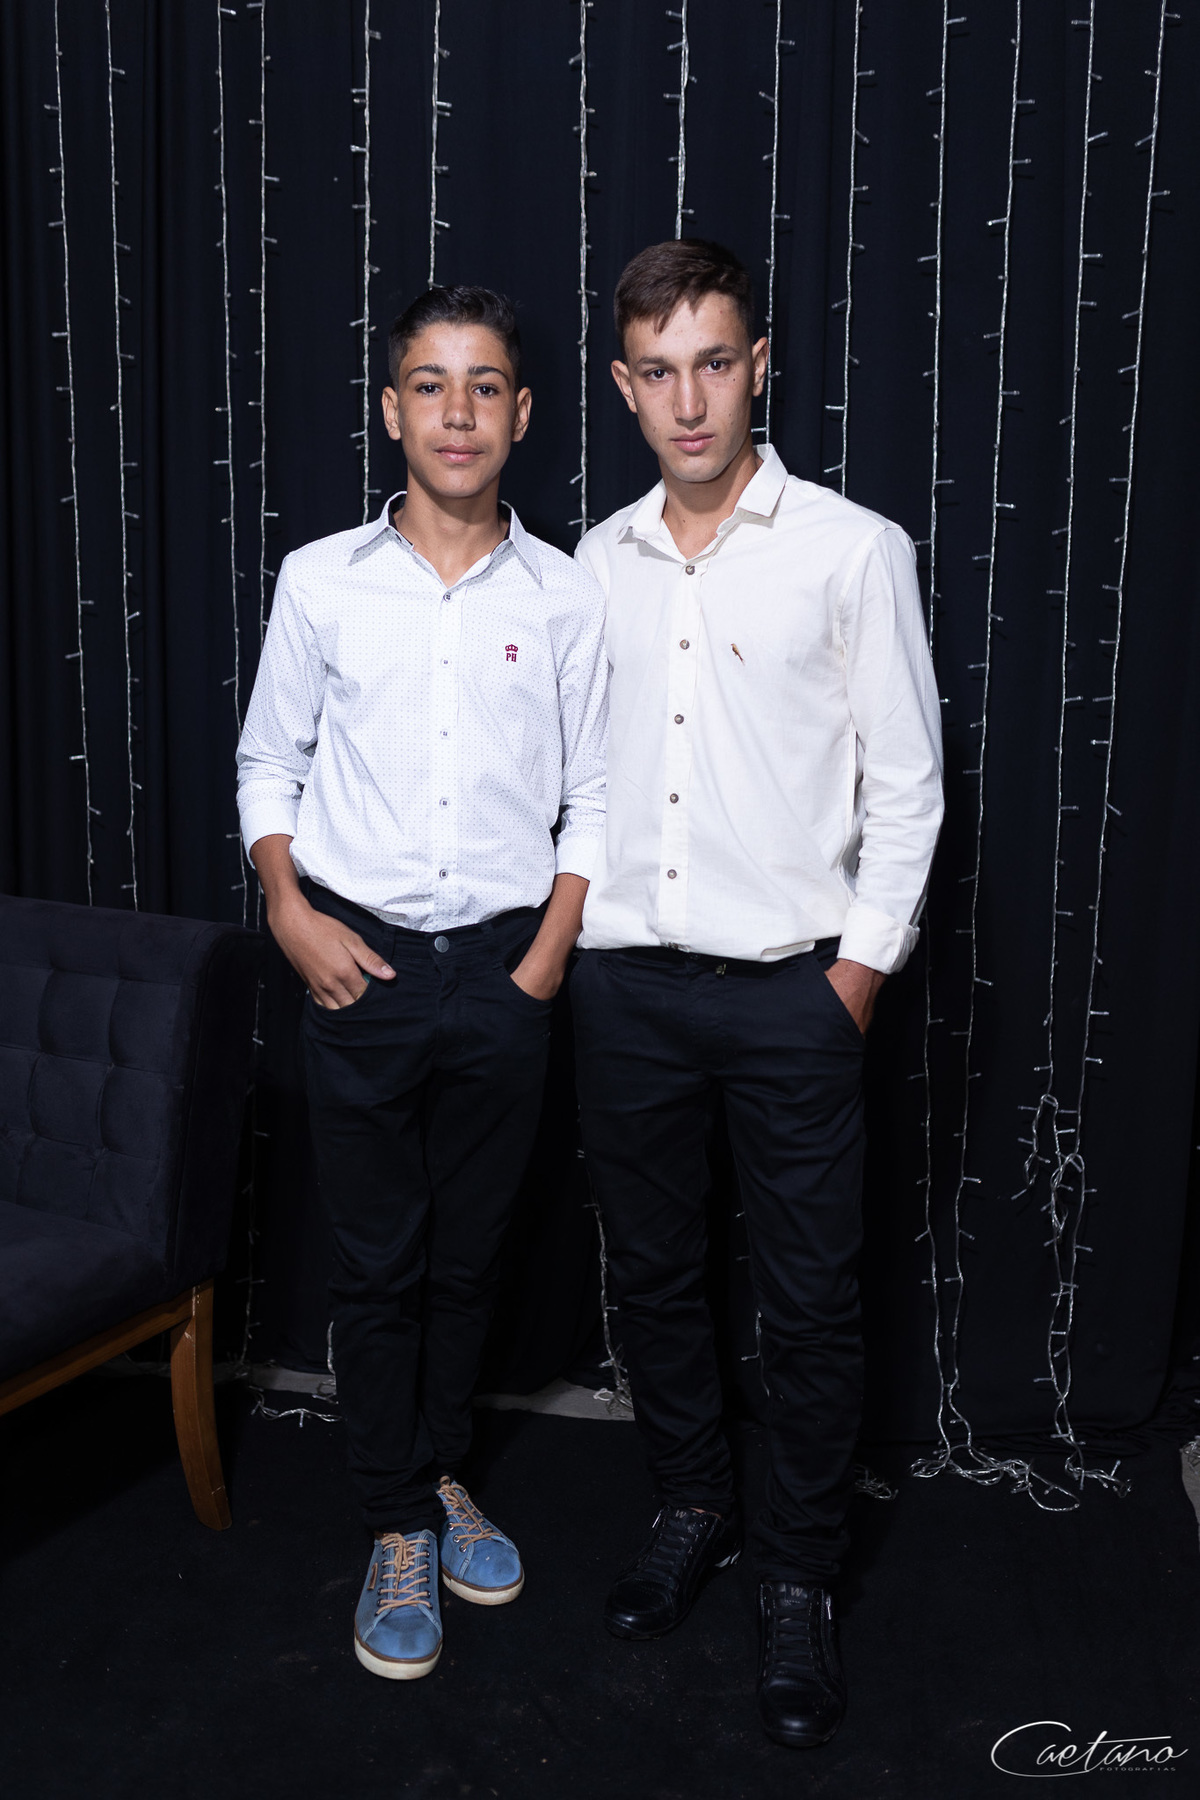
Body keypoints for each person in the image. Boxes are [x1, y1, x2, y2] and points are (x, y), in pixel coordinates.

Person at [570, 239, 943, 1749]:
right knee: (655, 1278)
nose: (690, 402)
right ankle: (692, 1503)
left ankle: (798, 1572)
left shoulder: (854, 549)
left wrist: (853, 977)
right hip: (626, 991)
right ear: (623, 387)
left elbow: (908, 786)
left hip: (794, 994)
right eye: (659, 372)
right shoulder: (596, 560)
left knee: (810, 1301)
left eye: (714, 364)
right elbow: (584, 778)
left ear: (760, 366)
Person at [236, 285, 607, 1681]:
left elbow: (595, 791)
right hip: (360, 969)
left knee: (470, 1256)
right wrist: (288, 909)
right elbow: (268, 762)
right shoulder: (320, 580)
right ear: (392, 411)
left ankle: (441, 1471)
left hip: (505, 974)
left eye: (486, 385)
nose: (460, 413)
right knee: (377, 1260)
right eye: (432, 386)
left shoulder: (565, 593)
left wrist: (543, 961)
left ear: (522, 412)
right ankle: (394, 1518)